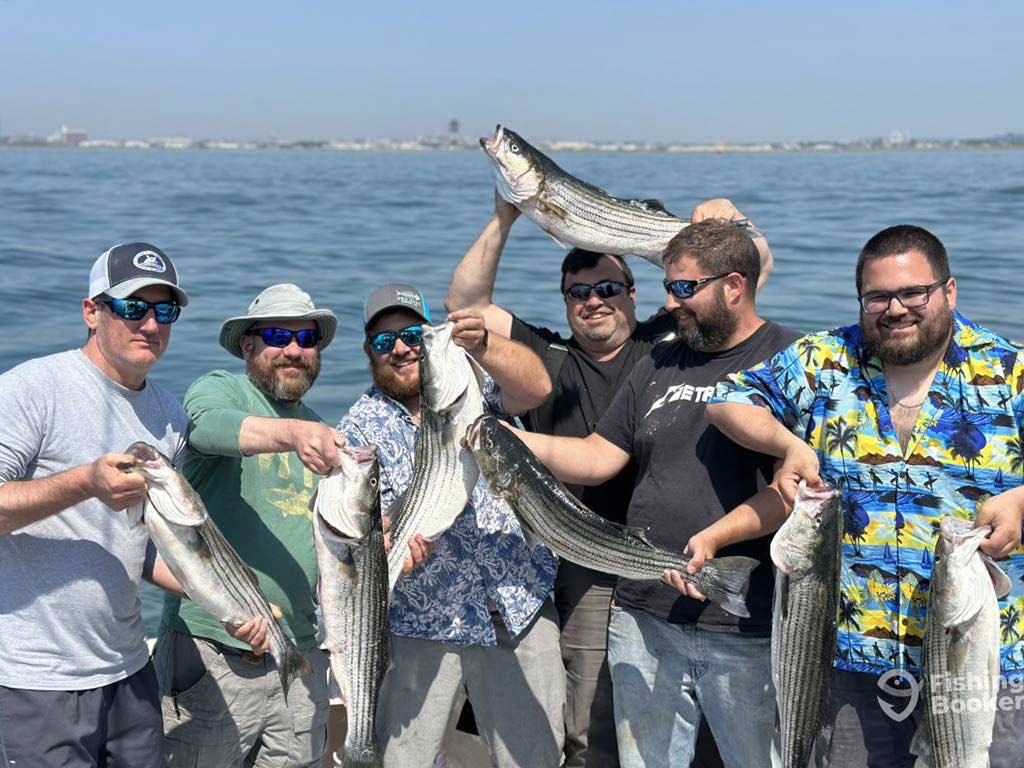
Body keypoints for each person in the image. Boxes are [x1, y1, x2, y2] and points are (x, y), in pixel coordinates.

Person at [446, 194, 771, 767]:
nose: (594, 301)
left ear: (634, 293)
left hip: (689, 562)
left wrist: (729, 224)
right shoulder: (550, 354)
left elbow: (741, 273)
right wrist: (506, 216)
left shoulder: (667, 342)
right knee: (601, 720)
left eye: (608, 289)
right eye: (579, 292)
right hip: (594, 565)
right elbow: (465, 307)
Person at [705, 224, 1024, 768]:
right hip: (849, 658)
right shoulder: (823, 360)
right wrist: (787, 445)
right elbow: (723, 401)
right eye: (877, 297)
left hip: (982, 656)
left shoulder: (1009, 370)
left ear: (948, 291)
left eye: (913, 293)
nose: (895, 309)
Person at [0, 243, 230, 766]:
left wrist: (225, 601)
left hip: (129, 670)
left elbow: (141, 543)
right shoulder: (31, 390)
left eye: (164, 311)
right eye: (133, 307)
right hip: (40, 679)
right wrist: (85, 482)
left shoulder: (168, 415)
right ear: (91, 311)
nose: (150, 324)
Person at [338, 283, 564, 768]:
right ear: (368, 351)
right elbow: (354, 515)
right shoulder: (358, 426)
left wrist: (485, 345)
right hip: (421, 621)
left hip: (514, 607)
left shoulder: (479, 389)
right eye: (384, 341)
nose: (400, 348)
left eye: (414, 335)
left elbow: (536, 387)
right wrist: (380, 539)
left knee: (537, 760)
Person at [158, 283, 348, 768]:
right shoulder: (221, 389)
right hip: (213, 652)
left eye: (307, 340)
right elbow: (205, 426)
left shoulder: (319, 430)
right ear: (248, 345)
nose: (294, 350)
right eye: (279, 335)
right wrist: (292, 434)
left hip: (300, 655)